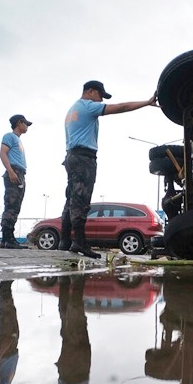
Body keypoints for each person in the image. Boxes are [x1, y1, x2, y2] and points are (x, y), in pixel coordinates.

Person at [61, 80, 157, 258]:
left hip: (71, 156)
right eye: (100, 96)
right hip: (83, 158)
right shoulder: (87, 106)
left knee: (71, 198)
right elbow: (121, 107)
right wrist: (146, 102)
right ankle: (80, 243)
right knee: (81, 200)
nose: (100, 100)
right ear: (90, 91)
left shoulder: (72, 109)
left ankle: (65, 241)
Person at [0, 114, 32, 249]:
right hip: (15, 172)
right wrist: (11, 172)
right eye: (25, 124)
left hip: (20, 173)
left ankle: (7, 239)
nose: (27, 127)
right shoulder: (9, 136)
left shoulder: (18, 140)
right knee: (11, 206)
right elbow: (2, 153)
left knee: (15, 206)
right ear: (19, 123)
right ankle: (8, 239)